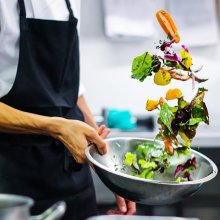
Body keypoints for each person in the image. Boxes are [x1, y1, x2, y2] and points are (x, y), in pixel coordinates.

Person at [0, 0, 136, 219]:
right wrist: (57, 127)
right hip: (12, 187)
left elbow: (73, 90)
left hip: (73, 185)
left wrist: (110, 169)